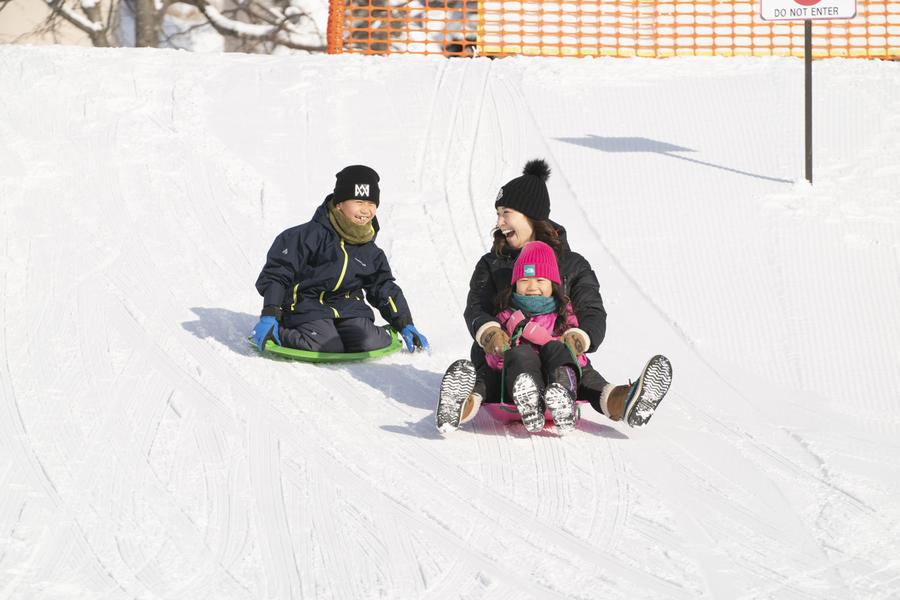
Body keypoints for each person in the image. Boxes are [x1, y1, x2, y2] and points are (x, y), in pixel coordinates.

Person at [436, 159, 671, 432]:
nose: (499, 223)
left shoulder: (572, 265)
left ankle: (624, 402)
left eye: (506, 213)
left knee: (584, 375)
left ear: (529, 214)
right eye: (498, 214)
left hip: (558, 360)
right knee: (486, 380)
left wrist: (579, 337)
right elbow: (475, 307)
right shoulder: (493, 263)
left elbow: (593, 311)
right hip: (505, 360)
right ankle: (459, 405)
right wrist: (489, 333)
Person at [252, 165, 429, 355]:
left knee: (372, 342)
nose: (366, 210)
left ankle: (342, 334)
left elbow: (383, 287)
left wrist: (404, 323)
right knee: (325, 346)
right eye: (359, 201)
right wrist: (270, 314)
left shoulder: (370, 250)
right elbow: (277, 275)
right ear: (339, 203)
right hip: (305, 307)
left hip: (348, 309)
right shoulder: (304, 237)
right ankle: (278, 331)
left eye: (371, 203)